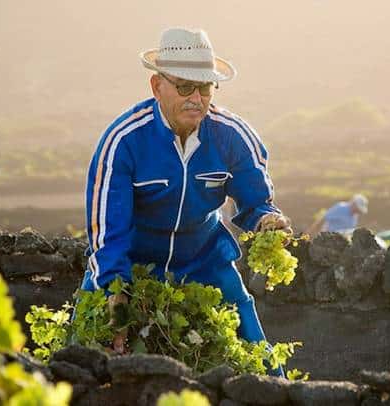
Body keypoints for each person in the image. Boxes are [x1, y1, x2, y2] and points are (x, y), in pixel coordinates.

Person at [79, 28, 291, 375]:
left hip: (205, 262)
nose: (197, 98)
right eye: (184, 87)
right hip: (131, 264)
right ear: (156, 87)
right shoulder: (124, 141)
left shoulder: (233, 136)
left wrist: (267, 220)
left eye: (205, 87)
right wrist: (114, 298)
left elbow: (256, 202)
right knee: (84, 361)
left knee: (261, 363)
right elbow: (108, 232)